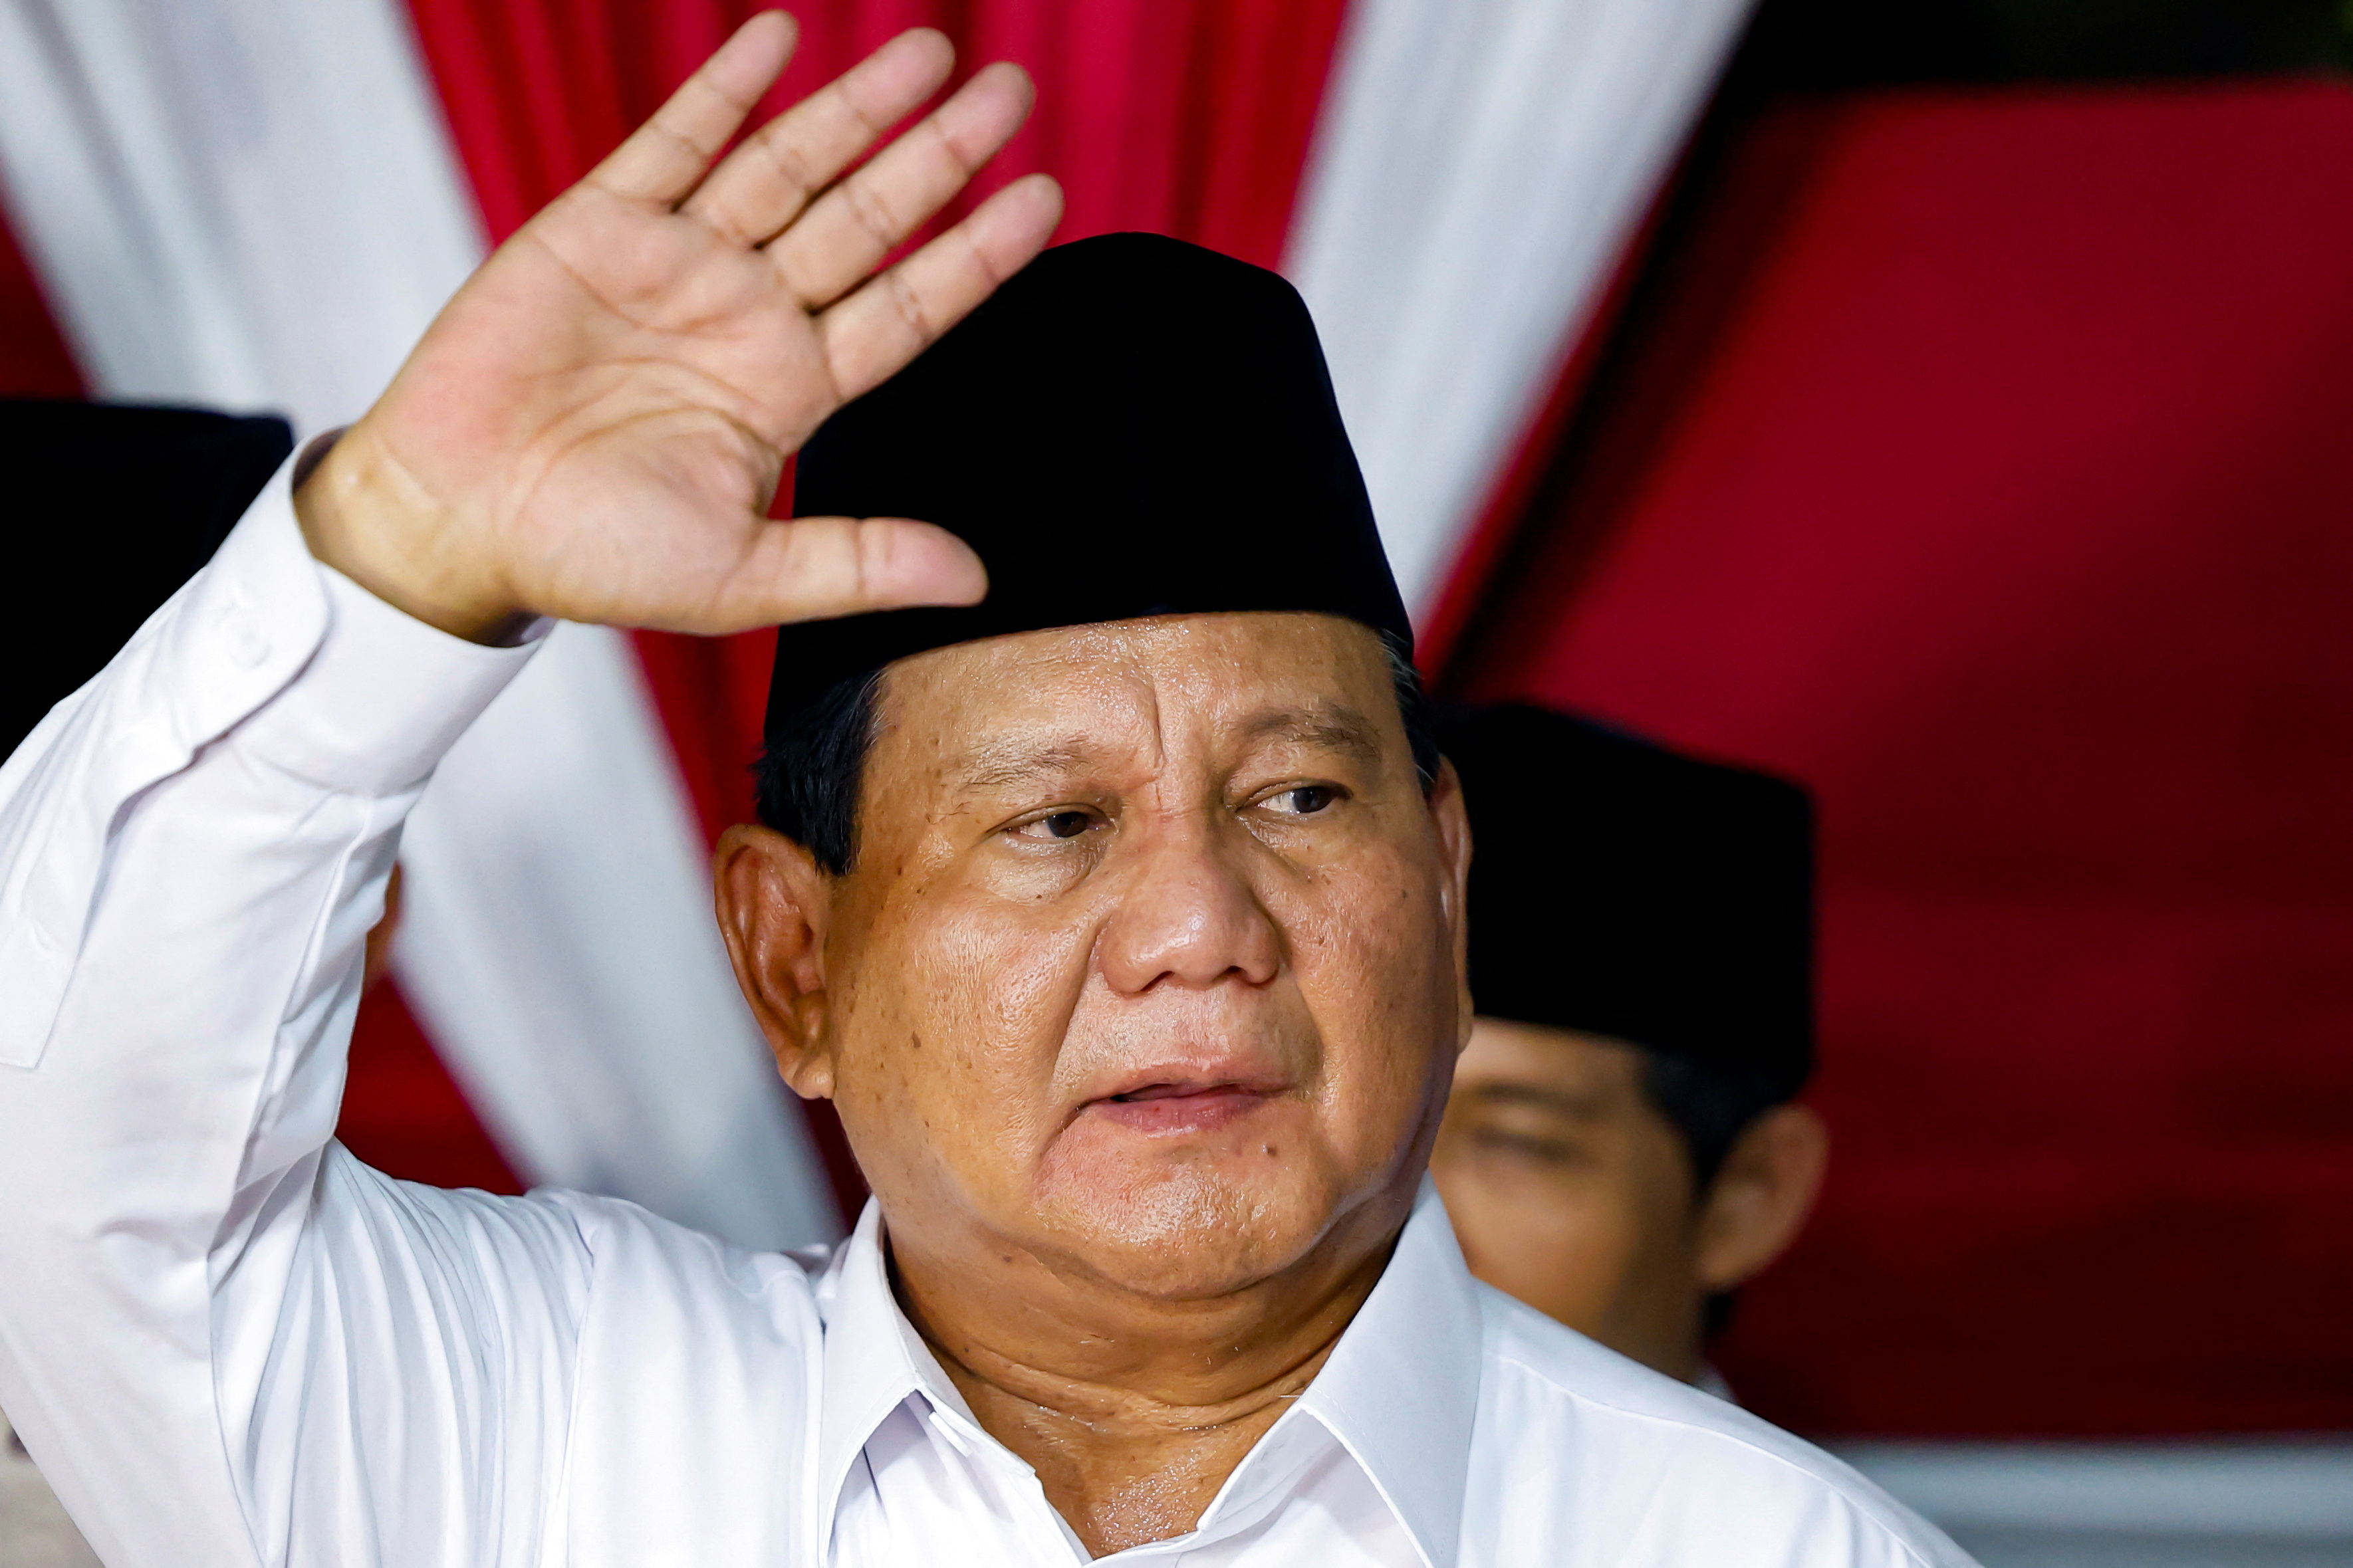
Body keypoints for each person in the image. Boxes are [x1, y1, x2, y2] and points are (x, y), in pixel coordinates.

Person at [0, 15, 1969, 1566]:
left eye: (1294, 798)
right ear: (794, 960)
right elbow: (78, 1160)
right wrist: (402, 552)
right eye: (1056, 822)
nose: (1200, 928)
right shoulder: (538, 1439)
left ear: (1447, 893)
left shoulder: (1773, 1548)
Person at [1430, 705, 1830, 1385]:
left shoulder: (1799, 1500)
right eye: (1361, 1136)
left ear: (1747, 1195)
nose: (1391, 1231)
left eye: (1514, 1140)